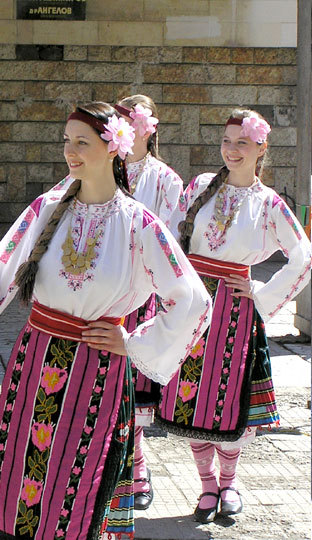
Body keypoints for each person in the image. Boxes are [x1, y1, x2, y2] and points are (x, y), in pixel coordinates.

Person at [0, 102, 212, 539]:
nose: (70, 151)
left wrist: (135, 342)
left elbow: (192, 299)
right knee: (22, 470)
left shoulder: (139, 223)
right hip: (35, 359)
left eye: (81, 142)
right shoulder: (47, 207)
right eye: (66, 141)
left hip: (96, 366)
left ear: (113, 148)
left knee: (81, 478)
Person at [157, 109, 312, 523]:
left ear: (261, 147)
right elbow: (170, 236)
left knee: (226, 400)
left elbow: (303, 256)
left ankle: (229, 482)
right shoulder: (202, 186)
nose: (231, 150)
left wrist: (262, 295)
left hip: (233, 309)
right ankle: (207, 487)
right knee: (190, 400)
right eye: (227, 141)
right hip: (192, 305)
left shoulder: (269, 203)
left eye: (241, 142)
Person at [113, 94, 185, 511]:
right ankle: (120, 463)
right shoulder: (103, 169)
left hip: (144, 291)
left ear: (146, 129)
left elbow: (172, 240)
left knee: (136, 385)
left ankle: (136, 463)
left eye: (129, 122)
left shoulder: (166, 180)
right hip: (105, 292)